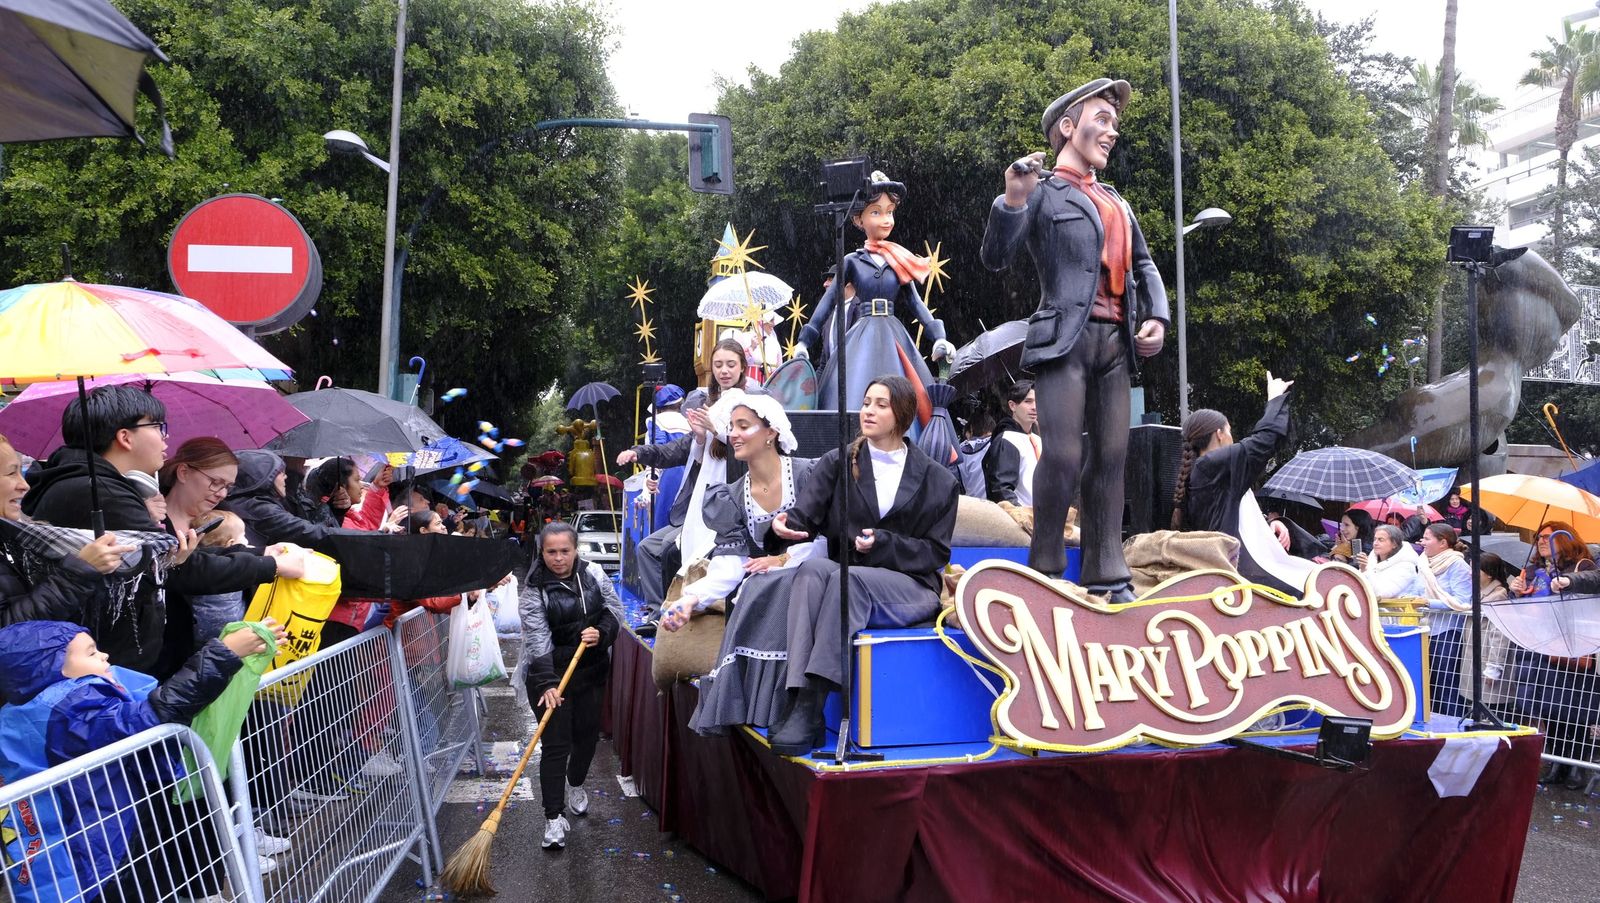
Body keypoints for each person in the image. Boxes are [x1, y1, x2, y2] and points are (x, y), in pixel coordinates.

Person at [980, 77, 1169, 595]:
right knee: (1062, 455)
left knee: (1111, 458)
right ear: (1068, 127)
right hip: (1063, 339)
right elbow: (996, 257)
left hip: (1115, 343)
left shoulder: (1117, 202)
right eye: (1101, 120)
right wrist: (1013, 200)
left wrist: (1157, 317)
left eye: (1115, 124)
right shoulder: (1043, 192)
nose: (1110, 132)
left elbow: (1145, 265)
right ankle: (1044, 567)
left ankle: (1106, 571)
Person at [23, 387, 300, 675]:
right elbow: (179, 567)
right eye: (157, 427)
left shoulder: (97, 486)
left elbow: (172, 559)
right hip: (107, 665)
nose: (165, 437)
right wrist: (271, 565)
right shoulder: (98, 492)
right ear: (125, 437)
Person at [0, 618, 282, 901]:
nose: (104, 656)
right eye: (91, 653)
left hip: (98, 834)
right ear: (49, 667)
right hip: (100, 852)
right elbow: (146, 719)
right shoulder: (72, 710)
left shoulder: (31, 710)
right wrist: (222, 654)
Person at [765, 376, 960, 756]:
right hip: (847, 578)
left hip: (911, 587)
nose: (868, 410)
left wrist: (884, 544)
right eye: (866, 401)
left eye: (881, 404)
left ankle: (813, 701)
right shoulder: (839, 462)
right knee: (812, 572)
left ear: (901, 414)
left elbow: (935, 553)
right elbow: (804, 516)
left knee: (846, 580)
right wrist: (783, 526)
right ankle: (797, 692)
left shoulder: (938, 480)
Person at [653, 393, 821, 734]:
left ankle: (793, 704)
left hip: (811, 578)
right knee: (754, 585)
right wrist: (690, 600)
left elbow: (825, 542)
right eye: (732, 428)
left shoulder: (806, 476)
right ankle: (754, 704)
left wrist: (782, 558)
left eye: (744, 426)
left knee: (768, 583)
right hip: (762, 584)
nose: (734, 434)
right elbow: (729, 566)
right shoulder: (731, 496)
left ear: (771, 432)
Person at [795, 171, 954, 408]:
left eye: (889, 211)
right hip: (862, 335)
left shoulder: (898, 259)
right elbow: (828, 301)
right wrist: (804, 341)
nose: (886, 219)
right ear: (859, 220)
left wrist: (938, 336)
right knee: (852, 387)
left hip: (893, 334)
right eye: (876, 212)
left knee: (906, 392)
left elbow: (914, 302)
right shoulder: (852, 261)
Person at [617, 339, 748, 607]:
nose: (724, 371)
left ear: (743, 367)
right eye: (719, 364)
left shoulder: (750, 405)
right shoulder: (710, 406)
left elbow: (749, 449)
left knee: (674, 554)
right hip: (699, 500)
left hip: (732, 501)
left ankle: (690, 610)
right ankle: (664, 611)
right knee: (661, 550)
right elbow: (674, 451)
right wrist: (638, 453)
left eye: (731, 364)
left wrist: (716, 430)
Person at [518, 521, 623, 850]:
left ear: (575, 550)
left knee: (587, 739)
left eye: (565, 551)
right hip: (548, 676)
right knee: (554, 744)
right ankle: (552, 817)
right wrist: (548, 683)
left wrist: (601, 634)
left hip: (590, 672)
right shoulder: (533, 589)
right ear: (542, 551)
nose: (558, 558)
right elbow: (538, 641)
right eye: (551, 552)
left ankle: (575, 783)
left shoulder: (593, 574)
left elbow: (614, 611)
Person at [1170, 371, 1294, 589]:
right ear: (1219, 434)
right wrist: (1274, 398)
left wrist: (1270, 525)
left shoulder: (1205, 469)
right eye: (1229, 430)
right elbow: (1264, 441)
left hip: (1226, 571)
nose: (1232, 436)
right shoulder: (1211, 465)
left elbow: (1231, 513)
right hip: (1235, 576)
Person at [0, 432, 133, 628]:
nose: (24, 485)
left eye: (21, 472)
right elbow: (8, 631)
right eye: (12, 473)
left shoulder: (13, 536)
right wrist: (79, 572)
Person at [1412, 523, 1474, 717]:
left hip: (1447, 632)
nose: (1422, 542)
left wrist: (1429, 603)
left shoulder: (1457, 565)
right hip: (1424, 629)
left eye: (1427, 538)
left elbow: (1462, 601)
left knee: (1445, 684)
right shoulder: (1422, 562)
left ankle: (1451, 724)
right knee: (1427, 684)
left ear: (1443, 543)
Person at [1457, 552, 1519, 719]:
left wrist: (1493, 667)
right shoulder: (1480, 592)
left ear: (1489, 574)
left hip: (1485, 660)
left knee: (1490, 710)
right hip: (1475, 658)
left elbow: (1499, 634)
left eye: (1475, 570)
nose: (1470, 573)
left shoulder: (1498, 596)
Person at [983, 380, 1041, 511]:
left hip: (1044, 518)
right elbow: (1001, 490)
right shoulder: (1007, 439)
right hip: (1023, 521)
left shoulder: (1037, 439)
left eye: (1038, 401)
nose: (1034, 407)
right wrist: (1021, 515)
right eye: (1028, 401)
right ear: (1012, 406)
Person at [1509, 521, 1596, 597]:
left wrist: (1568, 582)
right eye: (1538, 537)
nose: (1541, 542)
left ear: (1564, 539)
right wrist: (1518, 593)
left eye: (1547, 537)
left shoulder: (1583, 567)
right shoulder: (1532, 570)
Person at [1362, 523, 1423, 599]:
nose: (1375, 543)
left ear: (1394, 544)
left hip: (1395, 609)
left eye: (1381, 540)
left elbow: (1381, 594)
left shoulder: (1406, 567)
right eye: (1375, 539)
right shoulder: (1370, 560)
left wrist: (1364, 570)